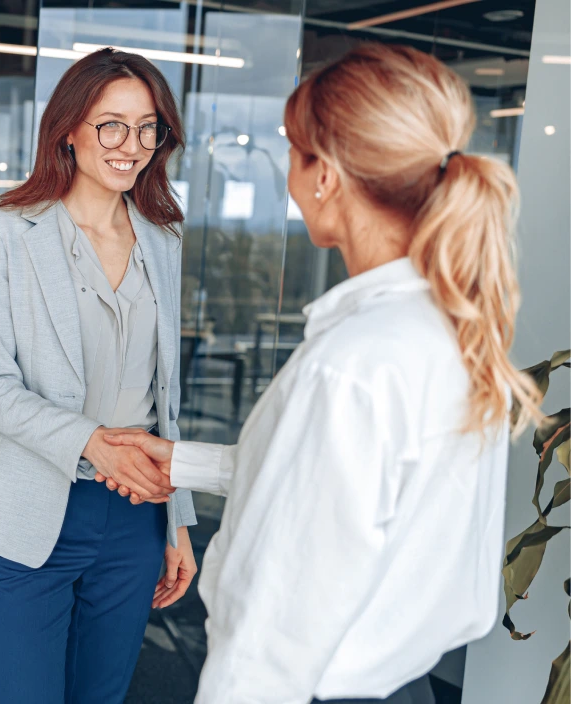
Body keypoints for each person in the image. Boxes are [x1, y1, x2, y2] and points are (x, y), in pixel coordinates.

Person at [97, 43, 541, 704]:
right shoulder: (444, 328)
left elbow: (273, 638)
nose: (288, 175)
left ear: (325, 176)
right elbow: (361, 492)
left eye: (293, 151)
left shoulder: (353, 364)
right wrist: (184, 464)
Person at [0, 48, 197, 704]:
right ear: (69, 128)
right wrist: (94, 442)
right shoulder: (6, 232)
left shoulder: (163, 239)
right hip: (37, 506)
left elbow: (163, 401)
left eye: (149, 127)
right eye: (111, 125)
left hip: (136, 520)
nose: (132, 145)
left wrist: (177, 522)